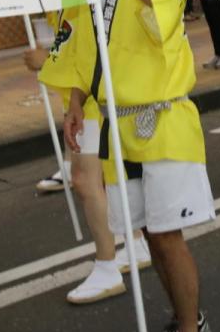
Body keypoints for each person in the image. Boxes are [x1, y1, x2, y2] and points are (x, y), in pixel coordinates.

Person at [56, 0, 216, 332]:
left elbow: (168, 0)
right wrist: (76, 99)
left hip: (162, 114)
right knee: (148, 232)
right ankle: (183, 321)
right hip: (116, 120)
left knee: (169, 235)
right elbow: (83, 40)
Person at [29, 27, 151, 304]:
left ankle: (108, 266)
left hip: (91, 96)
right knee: (102, 176)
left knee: (86, 179)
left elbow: (94, 43)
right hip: (83, 94)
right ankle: (135, 243)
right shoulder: (57, 0)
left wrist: (46, 59)